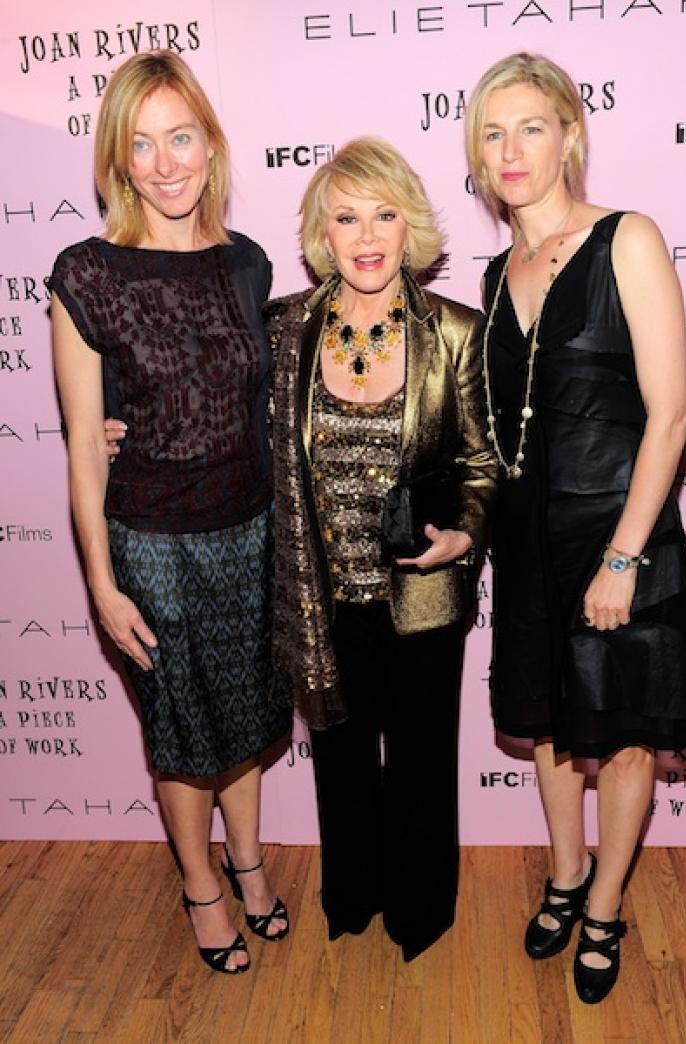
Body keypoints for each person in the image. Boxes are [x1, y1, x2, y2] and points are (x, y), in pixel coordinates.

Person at [465, 53, 686, 1003]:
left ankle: (605, 903)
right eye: (493, 133)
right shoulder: (496, 273)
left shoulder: (627, 239)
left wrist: (623, 557)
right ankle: (565, 874)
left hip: (621, 533)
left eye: (531, 126)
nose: (513, 150)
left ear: (570, 132)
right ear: (477, 157)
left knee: (625, 735)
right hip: (528, 545)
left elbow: (671, 416)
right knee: (552, 730)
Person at [50, 51, 291, 975]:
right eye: (141, 144)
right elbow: (82, 440)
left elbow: (254, 404)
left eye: (180, 136)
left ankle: (251, 864)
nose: (165, 163)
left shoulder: (249, 264)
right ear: (117, 160)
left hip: (251, 531)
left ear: (210, 145)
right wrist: (101, 584)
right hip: (148, 541)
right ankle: (201, 886)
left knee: (244, 718)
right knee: (185, 729)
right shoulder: (88, 273)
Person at [265, 137, 497, 962]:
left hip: (422, 591)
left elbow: (480, 458)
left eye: (385, 215)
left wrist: (465, 530)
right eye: (347, 217)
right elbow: (217, 418)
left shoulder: (456, 333)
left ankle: (419, 911)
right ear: (322, 234)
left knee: (424, 759)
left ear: (411, 227)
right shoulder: (284, 331)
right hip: (320, 595)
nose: (367, 236)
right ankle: (352, 897)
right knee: (339, 756)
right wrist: (118, 428)